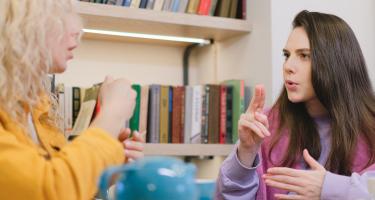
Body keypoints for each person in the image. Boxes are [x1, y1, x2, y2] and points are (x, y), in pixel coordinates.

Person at [216, 10, 375, 200]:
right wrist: (246, 152)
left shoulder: (370, 127)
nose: (288, 66)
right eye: (287, 55)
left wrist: (329, 188)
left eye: (304, 56)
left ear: (335, 61)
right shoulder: (267, 126)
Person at [0, 0, 144, 199]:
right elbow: (52, 190)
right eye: (61, 15)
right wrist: (113, 111)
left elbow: (64, 183)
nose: (77, 30)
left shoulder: (36, 106)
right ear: (19, 24)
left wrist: (106, 170)